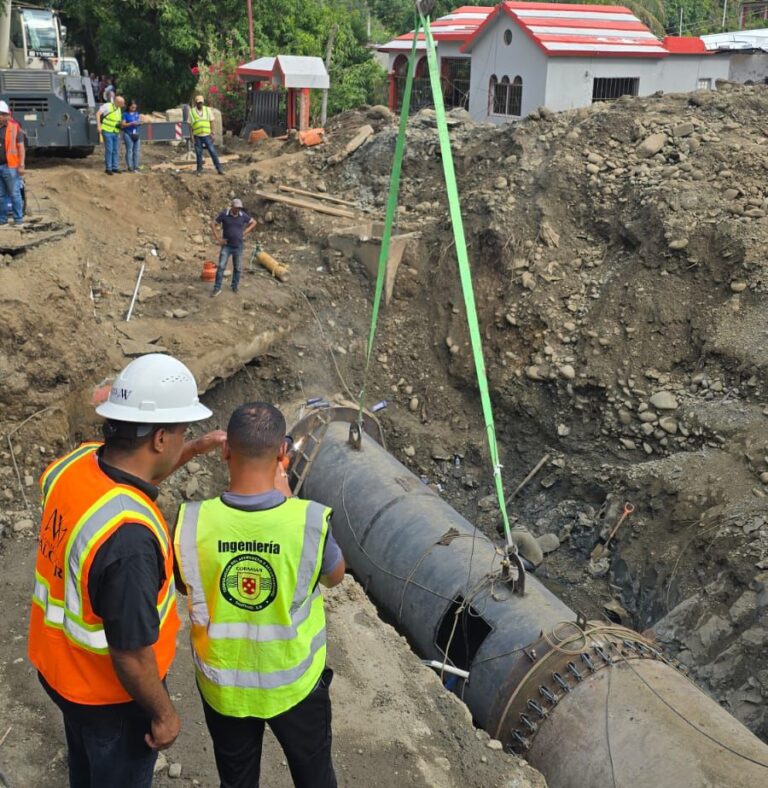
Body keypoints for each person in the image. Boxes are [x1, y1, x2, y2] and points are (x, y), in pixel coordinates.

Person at [28, 353, 226, 788]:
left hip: (59, 669)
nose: (183, 438)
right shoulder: (130, 540)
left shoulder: (73, 466)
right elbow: (131, 655)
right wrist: (164, 716)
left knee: (87, 767)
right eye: (181, 431)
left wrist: (194, 448)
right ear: (159, 438)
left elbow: (132, 476)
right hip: (110, 698)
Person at [174, 402, 345, 788]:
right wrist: (291, 503)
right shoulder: (308, 520)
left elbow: (187, 584)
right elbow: (335, 576)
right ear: (282, 455)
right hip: (295, 687)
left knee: (236, 781)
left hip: (225, 687)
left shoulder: (192, 521)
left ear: (226, 451)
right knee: (315, 777)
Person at [210, 197, 256, 297]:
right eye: (236, 208)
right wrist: (218, 239)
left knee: (238, 268)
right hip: (226, 246)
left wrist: (245, 232)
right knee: (221, 267)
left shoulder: (242, 215)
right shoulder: (224, 214)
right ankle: (217, 288)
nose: (238, 210)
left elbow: (254, 222)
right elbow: (213, 223)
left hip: (238, 246)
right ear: (232, 207)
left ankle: (234, 286)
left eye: (239, 208)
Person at [0, 101, 25, 229]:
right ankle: (2, 220)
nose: (2, 117)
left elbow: (21, 148)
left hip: (11, 167)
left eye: (3, 114)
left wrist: (21, 165)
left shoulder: (15, 129)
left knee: (15, 193)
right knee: (1, 195)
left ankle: (18, 220)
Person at [190, 94, 224, 176]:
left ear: (203, 102)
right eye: (198, 103)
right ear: (196, 103)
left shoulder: (207, 110)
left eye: (201, 103)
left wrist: (213, 133)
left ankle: (219, 168)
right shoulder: (192, 112)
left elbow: (212, 121)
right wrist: (191, 137)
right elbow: (190, 126)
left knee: (212, 151)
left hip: (207, 135)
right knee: (199, 153)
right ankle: (199, 170)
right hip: (197, 136)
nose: (200, 104)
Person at [98, 94, 125, 175]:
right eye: (122, 103)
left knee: (115, 150)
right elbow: (98, 114)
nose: (123, 104)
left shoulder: (119, 109)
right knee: (109, 150)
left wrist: (121, 125)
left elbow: (117, 120)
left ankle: (115, 167)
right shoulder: (107, 106)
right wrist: (99, 126)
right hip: (107, 131)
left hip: (115, 132)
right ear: (118, 102)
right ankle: (108, 168)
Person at [122, 100, 142, 172]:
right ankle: (130, 167)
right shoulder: (125, 114)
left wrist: (139, 123)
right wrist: (131, 123)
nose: (134, 107)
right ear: (129, 106)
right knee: (129, 150)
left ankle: (136, 166)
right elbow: (123, 125)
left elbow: (140, 122)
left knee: (136, 151)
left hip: (136, 134)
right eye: (132, 106)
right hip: (128, 134)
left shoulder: (136, 113)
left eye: (135, 106)